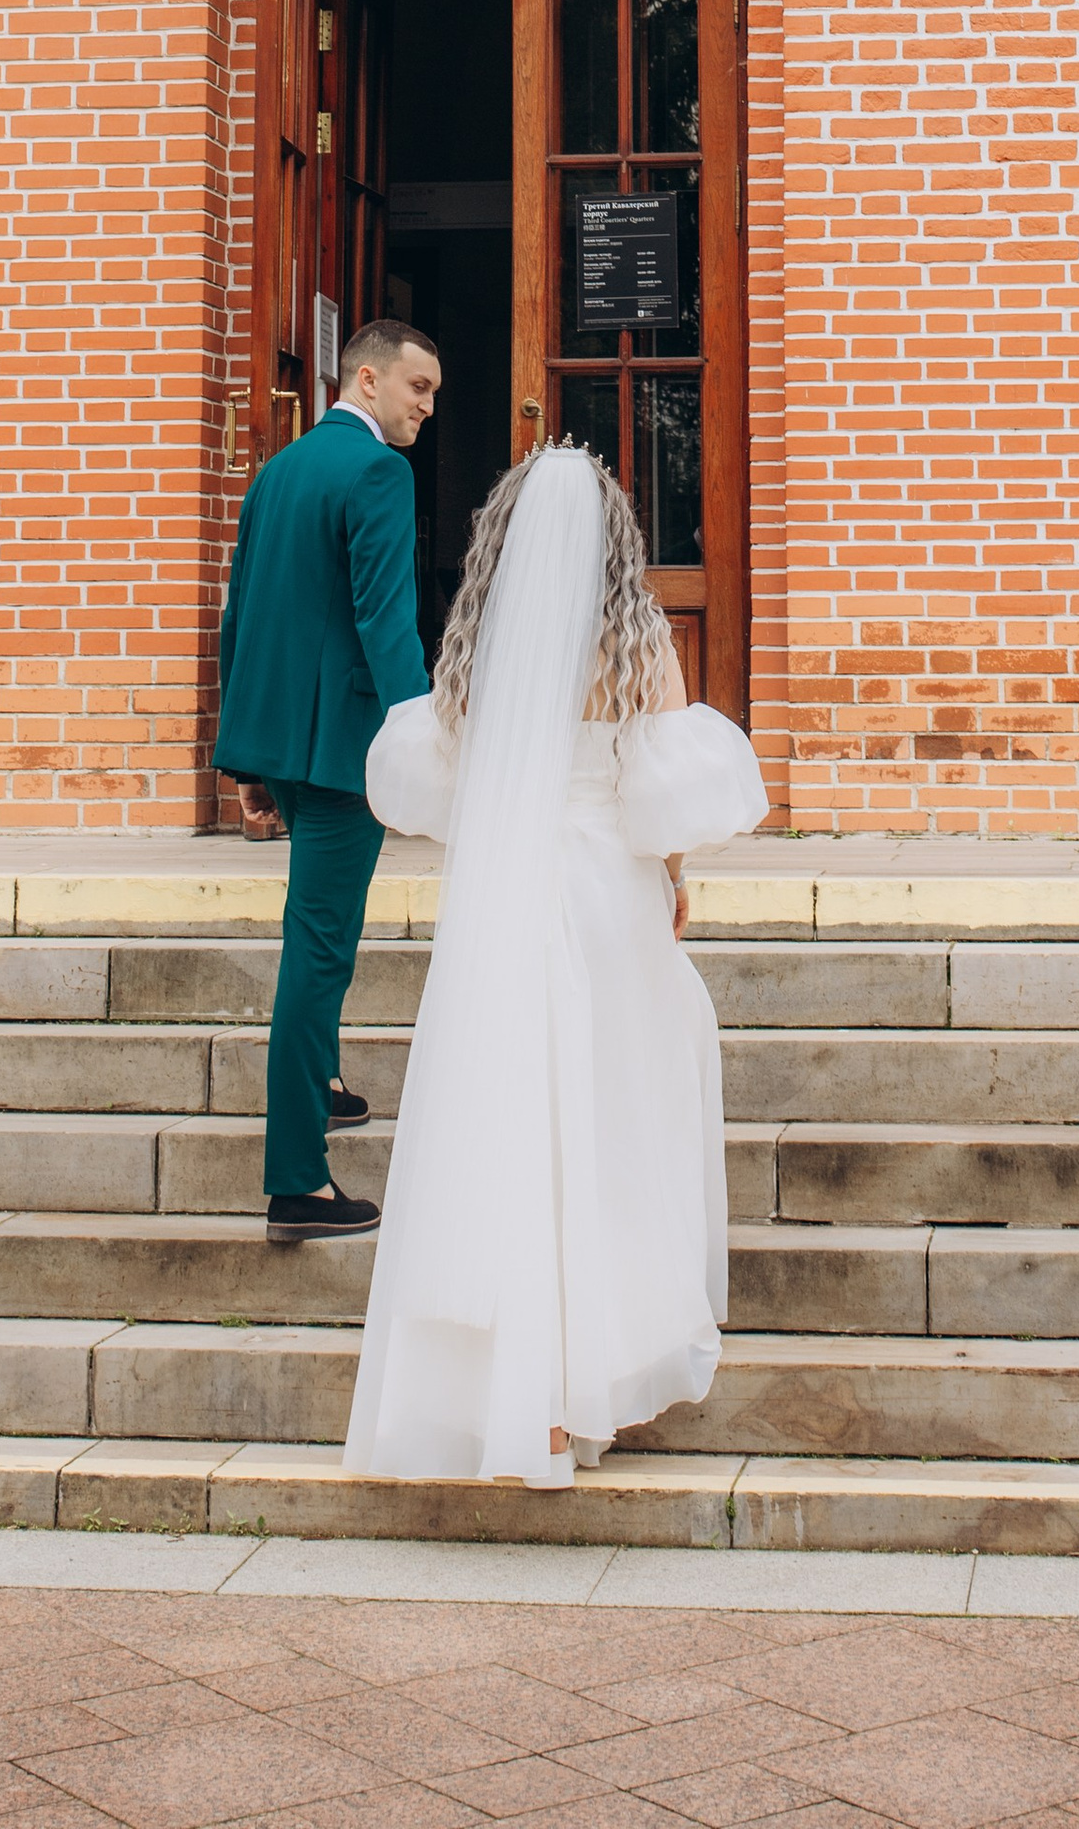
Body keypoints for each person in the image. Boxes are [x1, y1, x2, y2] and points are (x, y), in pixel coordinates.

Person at [346, 445, 767, 1488]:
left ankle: (514, 1397)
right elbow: (660, 798)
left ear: (503, 543)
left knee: (506, 1127)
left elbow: (434, 784)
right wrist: (672, 878)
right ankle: (585, 1376)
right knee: (610, 1122)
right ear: (616, 544)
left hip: (505, 897)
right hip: (602, 898)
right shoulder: (637, 646)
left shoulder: (482, 651)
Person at [213, 319, 439, 1238]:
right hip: (346, 754)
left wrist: (245, 756)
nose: (427, 407)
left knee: (317, 934)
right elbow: (387, 623)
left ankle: (328, 1081)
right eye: (418, 387)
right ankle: (297, 1181)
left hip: (283, 743)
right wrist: (420, 739)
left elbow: (244, 613)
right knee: (318, 950)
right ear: (370, 378)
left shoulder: (278, 470)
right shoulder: (379, 472)